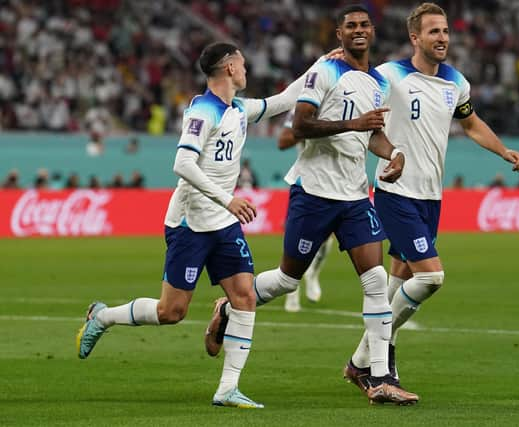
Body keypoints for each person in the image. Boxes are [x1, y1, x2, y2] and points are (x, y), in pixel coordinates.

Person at [76, 41, 324, 409]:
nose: (246, 68)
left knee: (244, 296)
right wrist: (228, 198)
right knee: (171, 312)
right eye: (241, 62)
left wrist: (323, 63)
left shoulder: (238, 109)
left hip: (223, 223)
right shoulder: (203, 111)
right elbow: (182, 165)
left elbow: (284, 100)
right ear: (227, 68)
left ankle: (227, 388)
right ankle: (103, 316)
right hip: (191, 222)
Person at [210, 4, 418, 405]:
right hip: (314, 193)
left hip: (355, 196)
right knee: (288, 279)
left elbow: (371, 135)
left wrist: (394, 154)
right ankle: (229, 305)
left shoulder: (377, 83)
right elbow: (300, 124)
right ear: (339, 34)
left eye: (364, 25)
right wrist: (352, 124)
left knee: (375, 281)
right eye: (350, 26)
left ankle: (379, 379)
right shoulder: (325, 73)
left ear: (372, 32)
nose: (358, 30)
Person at [344, 2, 519, 393]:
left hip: (430, 196)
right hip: (396, 192)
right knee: (432, 276)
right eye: (433, 32)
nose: (442, 38)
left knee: (402, 278)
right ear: (415, 37)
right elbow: (356, 94)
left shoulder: (455, 82)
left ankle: (361, 363)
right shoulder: (389, 75)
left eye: (445, 31)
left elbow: (471, 123)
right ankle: (376, 357)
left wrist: (503, 150)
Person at [277, 107, 334, 312]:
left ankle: (313, 275)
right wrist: (309, 126)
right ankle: (291, 294)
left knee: (327, 241)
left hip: (334, 182)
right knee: (295, 239)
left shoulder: (341, 99)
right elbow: (282, 141)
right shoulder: (301, 107)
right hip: (307, 182)